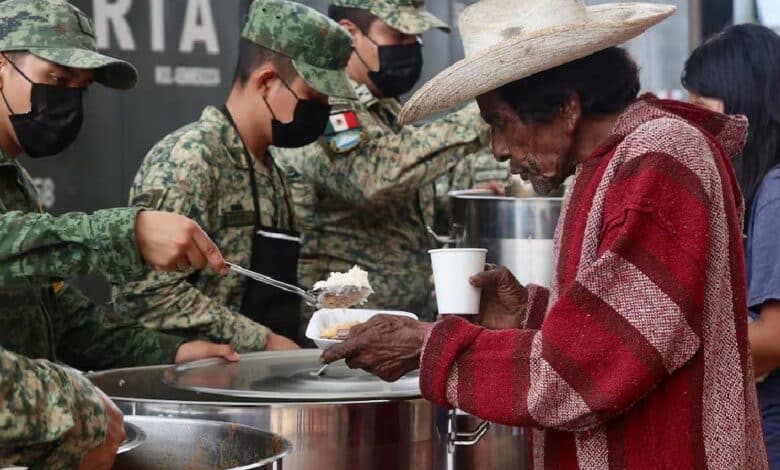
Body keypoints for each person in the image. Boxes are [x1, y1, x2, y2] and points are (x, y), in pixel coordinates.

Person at [321, 0, 769, 468]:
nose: (496, 150)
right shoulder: (607, 166)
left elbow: (589, 368)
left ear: (566, 107)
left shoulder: (659, 157)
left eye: (501, 123)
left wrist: (426, 346)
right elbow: (624, 331)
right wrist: (531, 313)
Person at [0, 1, 241, 468]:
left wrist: (167, 352)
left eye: (80, 89)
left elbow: (55, 312)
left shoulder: (14, 179)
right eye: (56, 80)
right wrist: (125, 234)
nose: (68, 101)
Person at [111, 0, 356, 351]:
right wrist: (262, 342)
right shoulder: (191, 159)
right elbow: (145, 292)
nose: (322, 112)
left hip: (262, 384)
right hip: (197, 390)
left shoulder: (275, 170)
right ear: (268, 82)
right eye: (313, 98)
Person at [274, 0, 492, 322]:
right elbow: (371, 177)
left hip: (395, 324)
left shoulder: (382, 109)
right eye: (398, 35)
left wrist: (464, 201)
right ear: (350, 34)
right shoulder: (320, 102)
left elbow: (398, 208)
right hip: (339, 327)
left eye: (415, 37)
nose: (411, 47)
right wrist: (485, 113)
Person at [682, 23, 780, 469]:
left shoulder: (775, 193)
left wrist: (676, 340)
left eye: (701, 108)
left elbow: (774, 338)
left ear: (744, 104)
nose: (694, 125)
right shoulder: (757, 189)